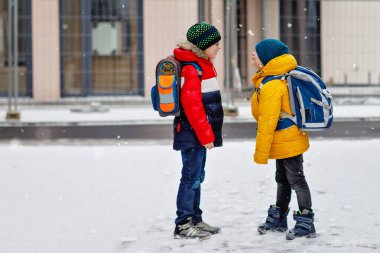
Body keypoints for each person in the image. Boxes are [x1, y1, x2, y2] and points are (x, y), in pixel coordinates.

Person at [250, 38, 316, 240]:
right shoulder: (275, 79)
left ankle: (306, 223)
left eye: (256, 53)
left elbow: (267, 121)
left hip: (287, 139)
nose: (252, 55)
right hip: (287, 138)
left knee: (296, 179)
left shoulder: (272, 84)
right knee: (284, 179)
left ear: (265, 59)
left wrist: (261, 154)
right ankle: (279, 217)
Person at [172, 21, 223, 240]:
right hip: (192, 133)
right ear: (204, 45)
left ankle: (195, 218)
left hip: (197, 133)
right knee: (190, 177)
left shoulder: (202, 64)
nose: (219, 47)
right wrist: (206, 136)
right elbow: (193, 108)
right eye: (216, 44)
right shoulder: (193, 68)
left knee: (197, 177)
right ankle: (183, 223)